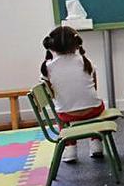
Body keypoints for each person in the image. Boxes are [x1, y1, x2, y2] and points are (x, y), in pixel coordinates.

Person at [40, 26, 106, 162]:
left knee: (63, 113)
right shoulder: (86, 62)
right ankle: (96, 145)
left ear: (52, 46)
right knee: (99, 104)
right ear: (77, 44)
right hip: (93, 111)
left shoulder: (48, 67)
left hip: (66, 115)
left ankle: (70, 149)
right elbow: (95, 88)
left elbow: (50, 93)